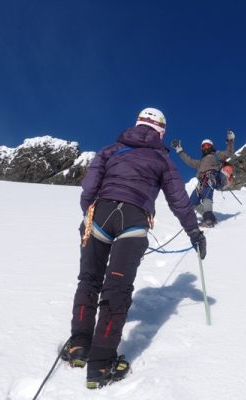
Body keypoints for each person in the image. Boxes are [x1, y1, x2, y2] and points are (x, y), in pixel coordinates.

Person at [63, 107, 207, 390]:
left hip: (99, 214)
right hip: (134, 219)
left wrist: (89, 213)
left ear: (137, 124)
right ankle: (101, 364)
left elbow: (89, 187)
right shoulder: (162, 159)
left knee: (89, 279)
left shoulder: (110, 149)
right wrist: (194, 231)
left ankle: (79, 345)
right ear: (161, 131)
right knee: (117, 288)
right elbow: (178, 199)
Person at [170, 130, 235, 227]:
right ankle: (209, 217)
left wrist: (230, 141)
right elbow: (189, 161)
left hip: (212, 176)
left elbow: (229, 152)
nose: (206, 147)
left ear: (211, 146)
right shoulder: (200, 162)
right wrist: (179, 150)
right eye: (204, 146)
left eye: (208, 145)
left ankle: (209, 220)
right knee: (192, 202)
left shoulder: (217, 155)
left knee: (206, 195)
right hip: (201, 181)